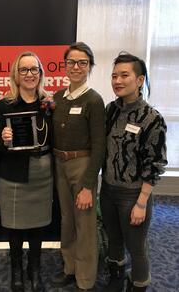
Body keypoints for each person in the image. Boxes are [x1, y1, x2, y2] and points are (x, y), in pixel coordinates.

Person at [100, 52, 167, 292]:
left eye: (124, 75)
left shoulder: (152, 118)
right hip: (108, 190)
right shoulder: (110, 110)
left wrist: (141, 203)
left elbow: (155, 164)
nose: (117, 80)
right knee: (113, 239)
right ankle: (116, 277)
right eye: (114, 75)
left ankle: (139, 285)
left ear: (139, 80)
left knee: (137, 246)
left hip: (133, 195)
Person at [0, 51, 53, 292]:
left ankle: (34, 269)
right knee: (15, 227)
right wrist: (3, 138)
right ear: (16, 75)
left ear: (40, 73)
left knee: (38, 227)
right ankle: (16, 270)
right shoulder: (3, 105)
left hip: (42, 172)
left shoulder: (49, 104)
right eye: (24, 70)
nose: (29, 74)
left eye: (34, 69)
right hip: (14, 173)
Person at [51, 42, 106, 292]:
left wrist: (87, 185)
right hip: (59, 164)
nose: (76, 67)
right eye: (71, 62)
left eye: (82, 62)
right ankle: (69, 268)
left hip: (82, 165)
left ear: (90, 67)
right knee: (66, 220)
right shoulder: (58, 97)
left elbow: (99, 146)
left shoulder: (94, 100)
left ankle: (85, 279)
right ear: (64, 66)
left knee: (84, 224)